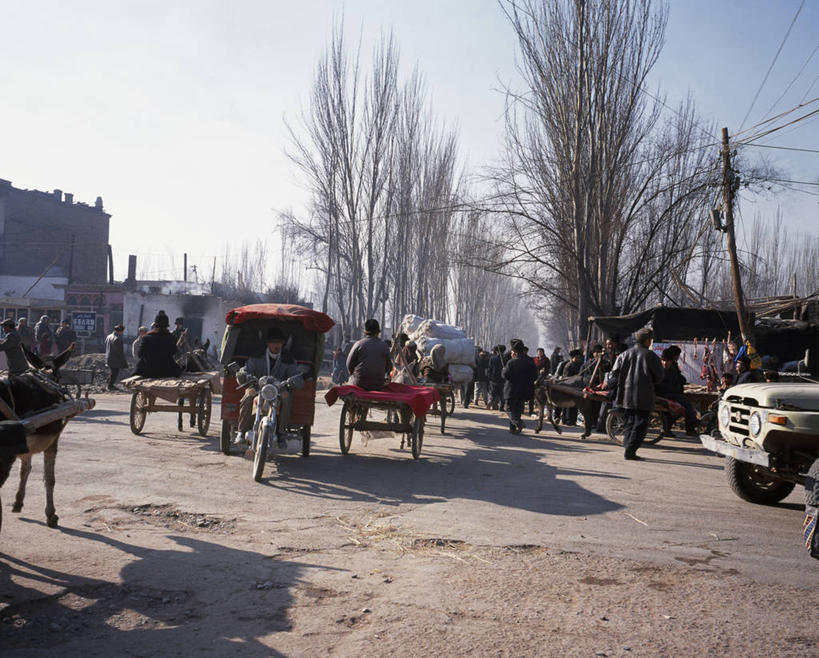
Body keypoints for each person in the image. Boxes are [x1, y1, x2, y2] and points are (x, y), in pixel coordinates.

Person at [237, 326, 307, 446]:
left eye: (279, 342)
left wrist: (293, 381)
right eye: (274, 342)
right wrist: (245, 375)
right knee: (248, 395)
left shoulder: (288, 359)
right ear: (268, 343)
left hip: (279, 390)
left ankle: (281, 434)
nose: (277, 345)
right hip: (258, 387)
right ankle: (242, 432)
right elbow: (245, 370)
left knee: (286, 397)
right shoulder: (256, 356)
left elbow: (296, 375)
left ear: (283, 343)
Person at [610, 327, 664, 460]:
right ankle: (630, 451)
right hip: (644, 396)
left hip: (626, 396)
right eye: (650, 340)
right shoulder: (651, 356)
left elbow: (614, 373)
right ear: (647, 341)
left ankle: (628, 447)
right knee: (640, 425)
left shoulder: (624, 355)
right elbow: (659, 377)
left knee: (630, 422)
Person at [655, 347, 698, 437]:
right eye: (663, 360)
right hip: (662, 396)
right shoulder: (658, 370)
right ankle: (690, 427)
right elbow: (660, 385)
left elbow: (677, 381)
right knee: (685, 404)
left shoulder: (673, 370)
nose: (665, 363)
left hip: (671, 395)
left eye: (667, 361)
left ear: (671, 361)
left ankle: (668, 428)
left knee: (683, 407)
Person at [502, 340, 538, 434]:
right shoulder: (530, 362)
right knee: (517, 410)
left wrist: (504, 369)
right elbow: (535, 376)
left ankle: (518, 423)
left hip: (512, 390)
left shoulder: (511, 362)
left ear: (515, 352)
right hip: (525, 391)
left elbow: (505, 375)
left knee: (509, 409)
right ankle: (513, 428)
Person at [346, 319, 392, 390]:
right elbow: (388, 367)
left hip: (359, 384)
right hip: (378, 385)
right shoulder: (385, 346)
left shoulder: (358, 344)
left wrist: (353, 373)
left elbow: (349, 365)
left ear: (365, 332)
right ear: (378, 332)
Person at [134, 312, 183, 378]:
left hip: (148, 371)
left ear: (155, 325)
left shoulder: (146, 338)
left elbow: (140, 354)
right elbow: (174, 352)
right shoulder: (172, 338)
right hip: (167, 371)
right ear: (167, 326)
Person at [104, 324, 128, 390]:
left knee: (112, 372)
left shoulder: (109, 336)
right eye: (122, 331)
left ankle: (108, 384)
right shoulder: (117, 339)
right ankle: (110, 386)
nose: (123, 333)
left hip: (108, 357)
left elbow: (105, 344)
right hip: (115, 359)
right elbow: (119, 351)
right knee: (115, 373)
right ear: (120, 331)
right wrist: (123, 361)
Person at [487, 345, 505, 411]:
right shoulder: (505, 359)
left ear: (496, 351)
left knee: (493, 393)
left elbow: (489, 369)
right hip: (502, 379)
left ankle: (491, 402)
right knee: (501, 394)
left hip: (493, 379)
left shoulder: (492, 358)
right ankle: (501, 407)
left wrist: (489, 378)